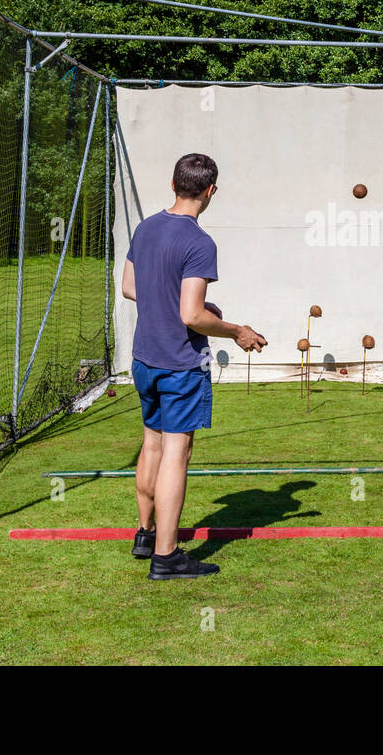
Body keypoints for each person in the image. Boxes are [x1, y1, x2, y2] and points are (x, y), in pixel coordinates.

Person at [121, 153, 267, 580]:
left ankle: (145, 534)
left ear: (173, 184)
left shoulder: (146, 228)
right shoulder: (199, 242)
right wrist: (237, 329)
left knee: (152, 445)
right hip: (180, 363)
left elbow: (131, 287)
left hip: (145, 358)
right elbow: (192, 315)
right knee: (175, 453)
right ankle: (166, 557)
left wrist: (176, 302)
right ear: (211, 192)